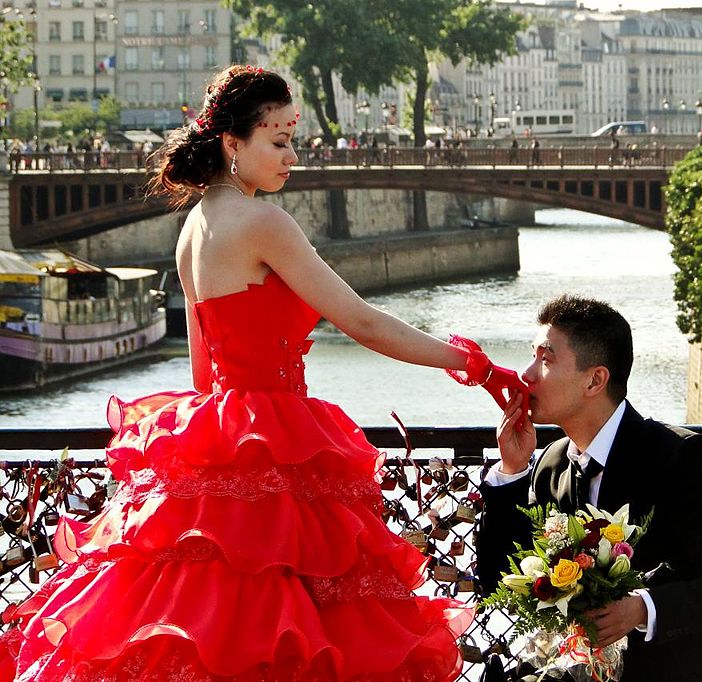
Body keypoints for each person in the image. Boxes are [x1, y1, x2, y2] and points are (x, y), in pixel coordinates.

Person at [0, 64, 522, 681]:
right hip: (278, 431)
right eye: (278, 141)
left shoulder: (191, 229)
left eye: (292, 140)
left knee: (202, 627)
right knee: (305, 632)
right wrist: (472, 364)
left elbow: (202, 373)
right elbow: (363, 322)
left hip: (215, 437)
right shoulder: (265, 223)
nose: (291, 156)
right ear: (231, 143)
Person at [477, 295, 702, 681]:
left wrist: (643, 609)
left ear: (595, 380)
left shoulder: (681, 457)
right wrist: (511, 470)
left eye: (546, 358)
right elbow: (496, 582)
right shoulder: (550, 463)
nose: (526, 374)